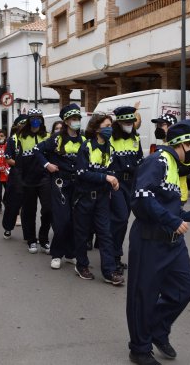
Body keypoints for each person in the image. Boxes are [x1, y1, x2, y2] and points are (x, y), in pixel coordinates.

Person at [126, 119, 190, 365]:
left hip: (173, 243)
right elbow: (142, 198)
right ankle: (140, 349)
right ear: (184, 143)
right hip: (150, 241)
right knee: (144, 295)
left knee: (186, 287)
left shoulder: (175, 167)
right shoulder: (157, 161)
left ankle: (157, 329)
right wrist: (171, 221)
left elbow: (169, 208)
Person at [72, 113, 124, 285]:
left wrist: (113, 180)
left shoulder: (110, 148)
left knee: (105, 234)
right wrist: (105, 178)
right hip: (84, 197)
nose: (109, 129)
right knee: (82, 233)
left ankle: (109, 272)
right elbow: (81, 173)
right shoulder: (86, 147)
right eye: (105, 126)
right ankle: (82, 265)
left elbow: (112, 170)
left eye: (110, 125)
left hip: (102, 198)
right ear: (96, 129)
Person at [35, 104, 84, 269]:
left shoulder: (83, 140)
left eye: (78, 119)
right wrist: (47, 164)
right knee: (62, 220)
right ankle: (56, 254)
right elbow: (37, 150)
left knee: (73, 221)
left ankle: (70, 254)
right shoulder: (57, 138)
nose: (76, 122)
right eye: (73, 119)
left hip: (78, 185)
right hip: (60, 184)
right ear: (66, 121)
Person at [109, 106, 144, 274]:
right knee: (121, 219)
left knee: (122, 221)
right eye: (126, 122)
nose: (129, 124)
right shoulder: (110, 139)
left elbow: (140, 159)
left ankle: (115, 254)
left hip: (132, 184)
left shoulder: (135, 138)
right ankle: (113, 257)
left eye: (132, 122)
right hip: (116, 183)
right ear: (119, 122)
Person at [15, 108, 52, 254]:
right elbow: (18, 160)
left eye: (38, 117)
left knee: (48, 209)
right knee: (29, 211)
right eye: (33, 117)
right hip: (28, 180)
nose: (35, 120)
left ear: (42, 120)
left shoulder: (48, 136)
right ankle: (31, 240)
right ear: (28, 120)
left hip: (44, 178)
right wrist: (19, 180)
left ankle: (44, 239)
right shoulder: (21, 137)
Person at [2, 115, 28, 239]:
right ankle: (8, 227)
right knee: (13, 204)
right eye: (22, 124)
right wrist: (21, 164)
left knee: (29, 206)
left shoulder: (32, 139)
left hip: (30, 175)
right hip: (16, 175)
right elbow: (8, 159)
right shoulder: (12, 140)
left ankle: (29, 233)